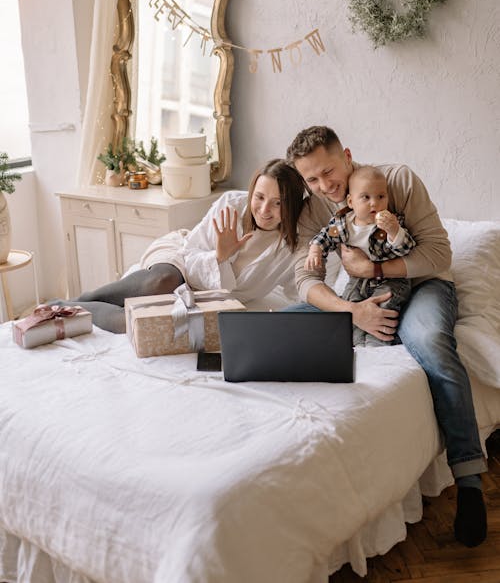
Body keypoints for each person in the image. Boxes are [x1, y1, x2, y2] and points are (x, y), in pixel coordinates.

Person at [286, 125, 487, 548]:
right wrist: (352, 312)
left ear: (347, 155)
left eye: (328, 172)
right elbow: (306, 278)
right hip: (360, 300)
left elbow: (438, 254)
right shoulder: (315, 209)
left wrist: (371, 270)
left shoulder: (396, 181)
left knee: (430, 342)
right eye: (312, 180)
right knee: (286, 321)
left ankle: (469, 482)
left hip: (425, 284)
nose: (325, 186)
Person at [65, 159, 306, 334]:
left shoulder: (293, 244)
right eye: (260, 197)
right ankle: (77, 300)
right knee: (161, 282)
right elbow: (190, 253)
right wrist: (220, 256)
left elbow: (300, 288)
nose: (264, 210)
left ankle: (67, 310)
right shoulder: (232, 204)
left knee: (133, 323)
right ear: (252, 192)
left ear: (292, 205)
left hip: (213, 297)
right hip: (181, 260)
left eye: (278, 203)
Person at [305, 165, 416, 346]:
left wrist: (394, 231)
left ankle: (376, 344)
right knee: (350, 307)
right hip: (357, 280)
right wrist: (315, 249)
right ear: (351, 202)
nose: (374, 203)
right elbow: (326, 236)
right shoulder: (343, 224)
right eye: (366, 197)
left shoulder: (391, 223)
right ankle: (355, 345)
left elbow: (406, 249)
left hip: (391, 280)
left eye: (381, 197)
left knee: (383, 307)